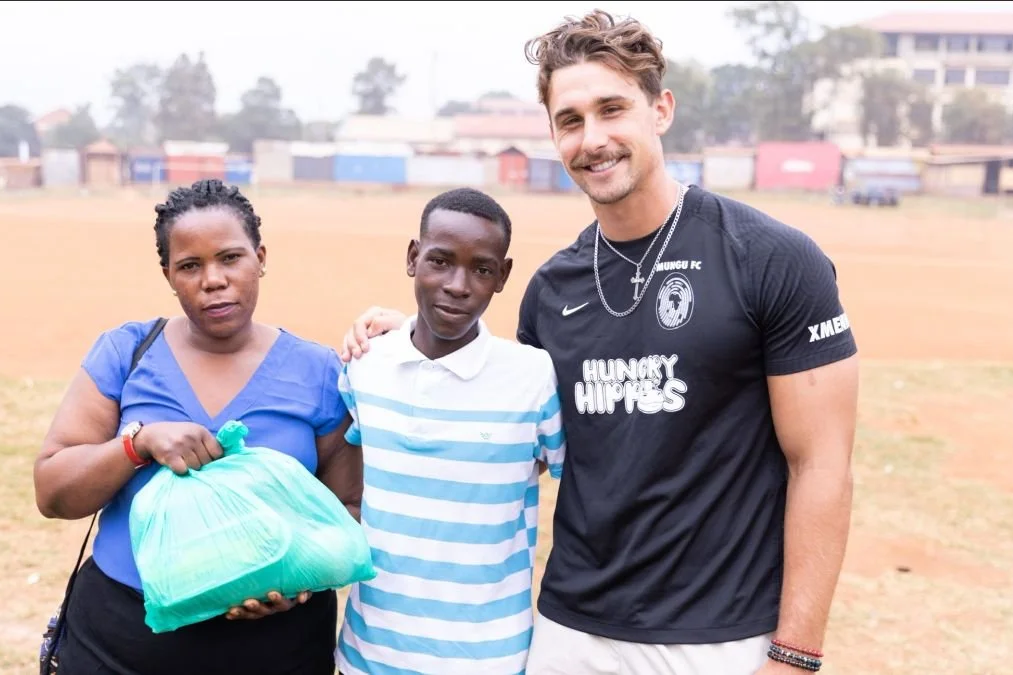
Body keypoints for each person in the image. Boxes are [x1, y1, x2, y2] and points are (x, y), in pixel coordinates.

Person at [339, 10, 859, 675]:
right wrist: (412, 338)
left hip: (725, 637)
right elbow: (506, 416)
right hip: (570, 633)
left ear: (661, 109)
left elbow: (823, 464)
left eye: (613, 109)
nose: (594, 138)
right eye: (571, 119)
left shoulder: (772, 259)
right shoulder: (551, 290)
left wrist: (794, 654)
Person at [33, 178, 362, 675]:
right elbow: (53, 494)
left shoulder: (318, 373)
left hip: (276, 645)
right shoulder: (126, 354)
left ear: (261, 257)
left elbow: (348, 511)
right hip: (122, 643)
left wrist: (300, 582)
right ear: (168, 274)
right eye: (190, 265)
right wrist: (137, 443)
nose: (213, 280)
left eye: (230, 258)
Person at [333, 188, 566, 675]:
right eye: (440, 261)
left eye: (482, 269)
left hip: (490, 661)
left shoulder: (533, 377)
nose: (458, 285)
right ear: (413, 259)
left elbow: (560, 467)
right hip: (368, 656)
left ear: (502, 277)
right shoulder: (363, 367)